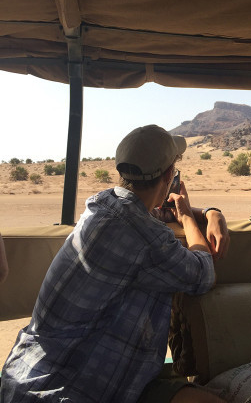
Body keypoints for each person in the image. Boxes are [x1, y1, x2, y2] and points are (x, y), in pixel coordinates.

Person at [1, 125, 229, 403]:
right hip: (68, 390)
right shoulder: (147, 238)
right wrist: (191, 219)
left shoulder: (102, 204)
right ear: (170, 175)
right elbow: (204, 274)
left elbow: (157, 213)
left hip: (26, 372)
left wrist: (209, 212)